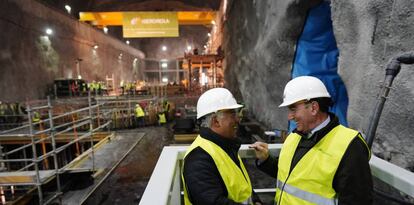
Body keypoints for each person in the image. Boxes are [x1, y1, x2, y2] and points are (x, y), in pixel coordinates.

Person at [250, 76, 373, 205]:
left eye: (293, 108)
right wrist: (266, 160)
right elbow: (290, 177)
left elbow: (358, 200)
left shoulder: (350, 146)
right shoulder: (294, 137)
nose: (290, 116)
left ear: (314, 108)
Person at [182, 88, 262, 205]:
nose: (237, 119)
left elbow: (242, 186)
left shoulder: (225, 147)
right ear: (216, 121)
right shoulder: (198, 159)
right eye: (232, 114)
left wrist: (256, 200)